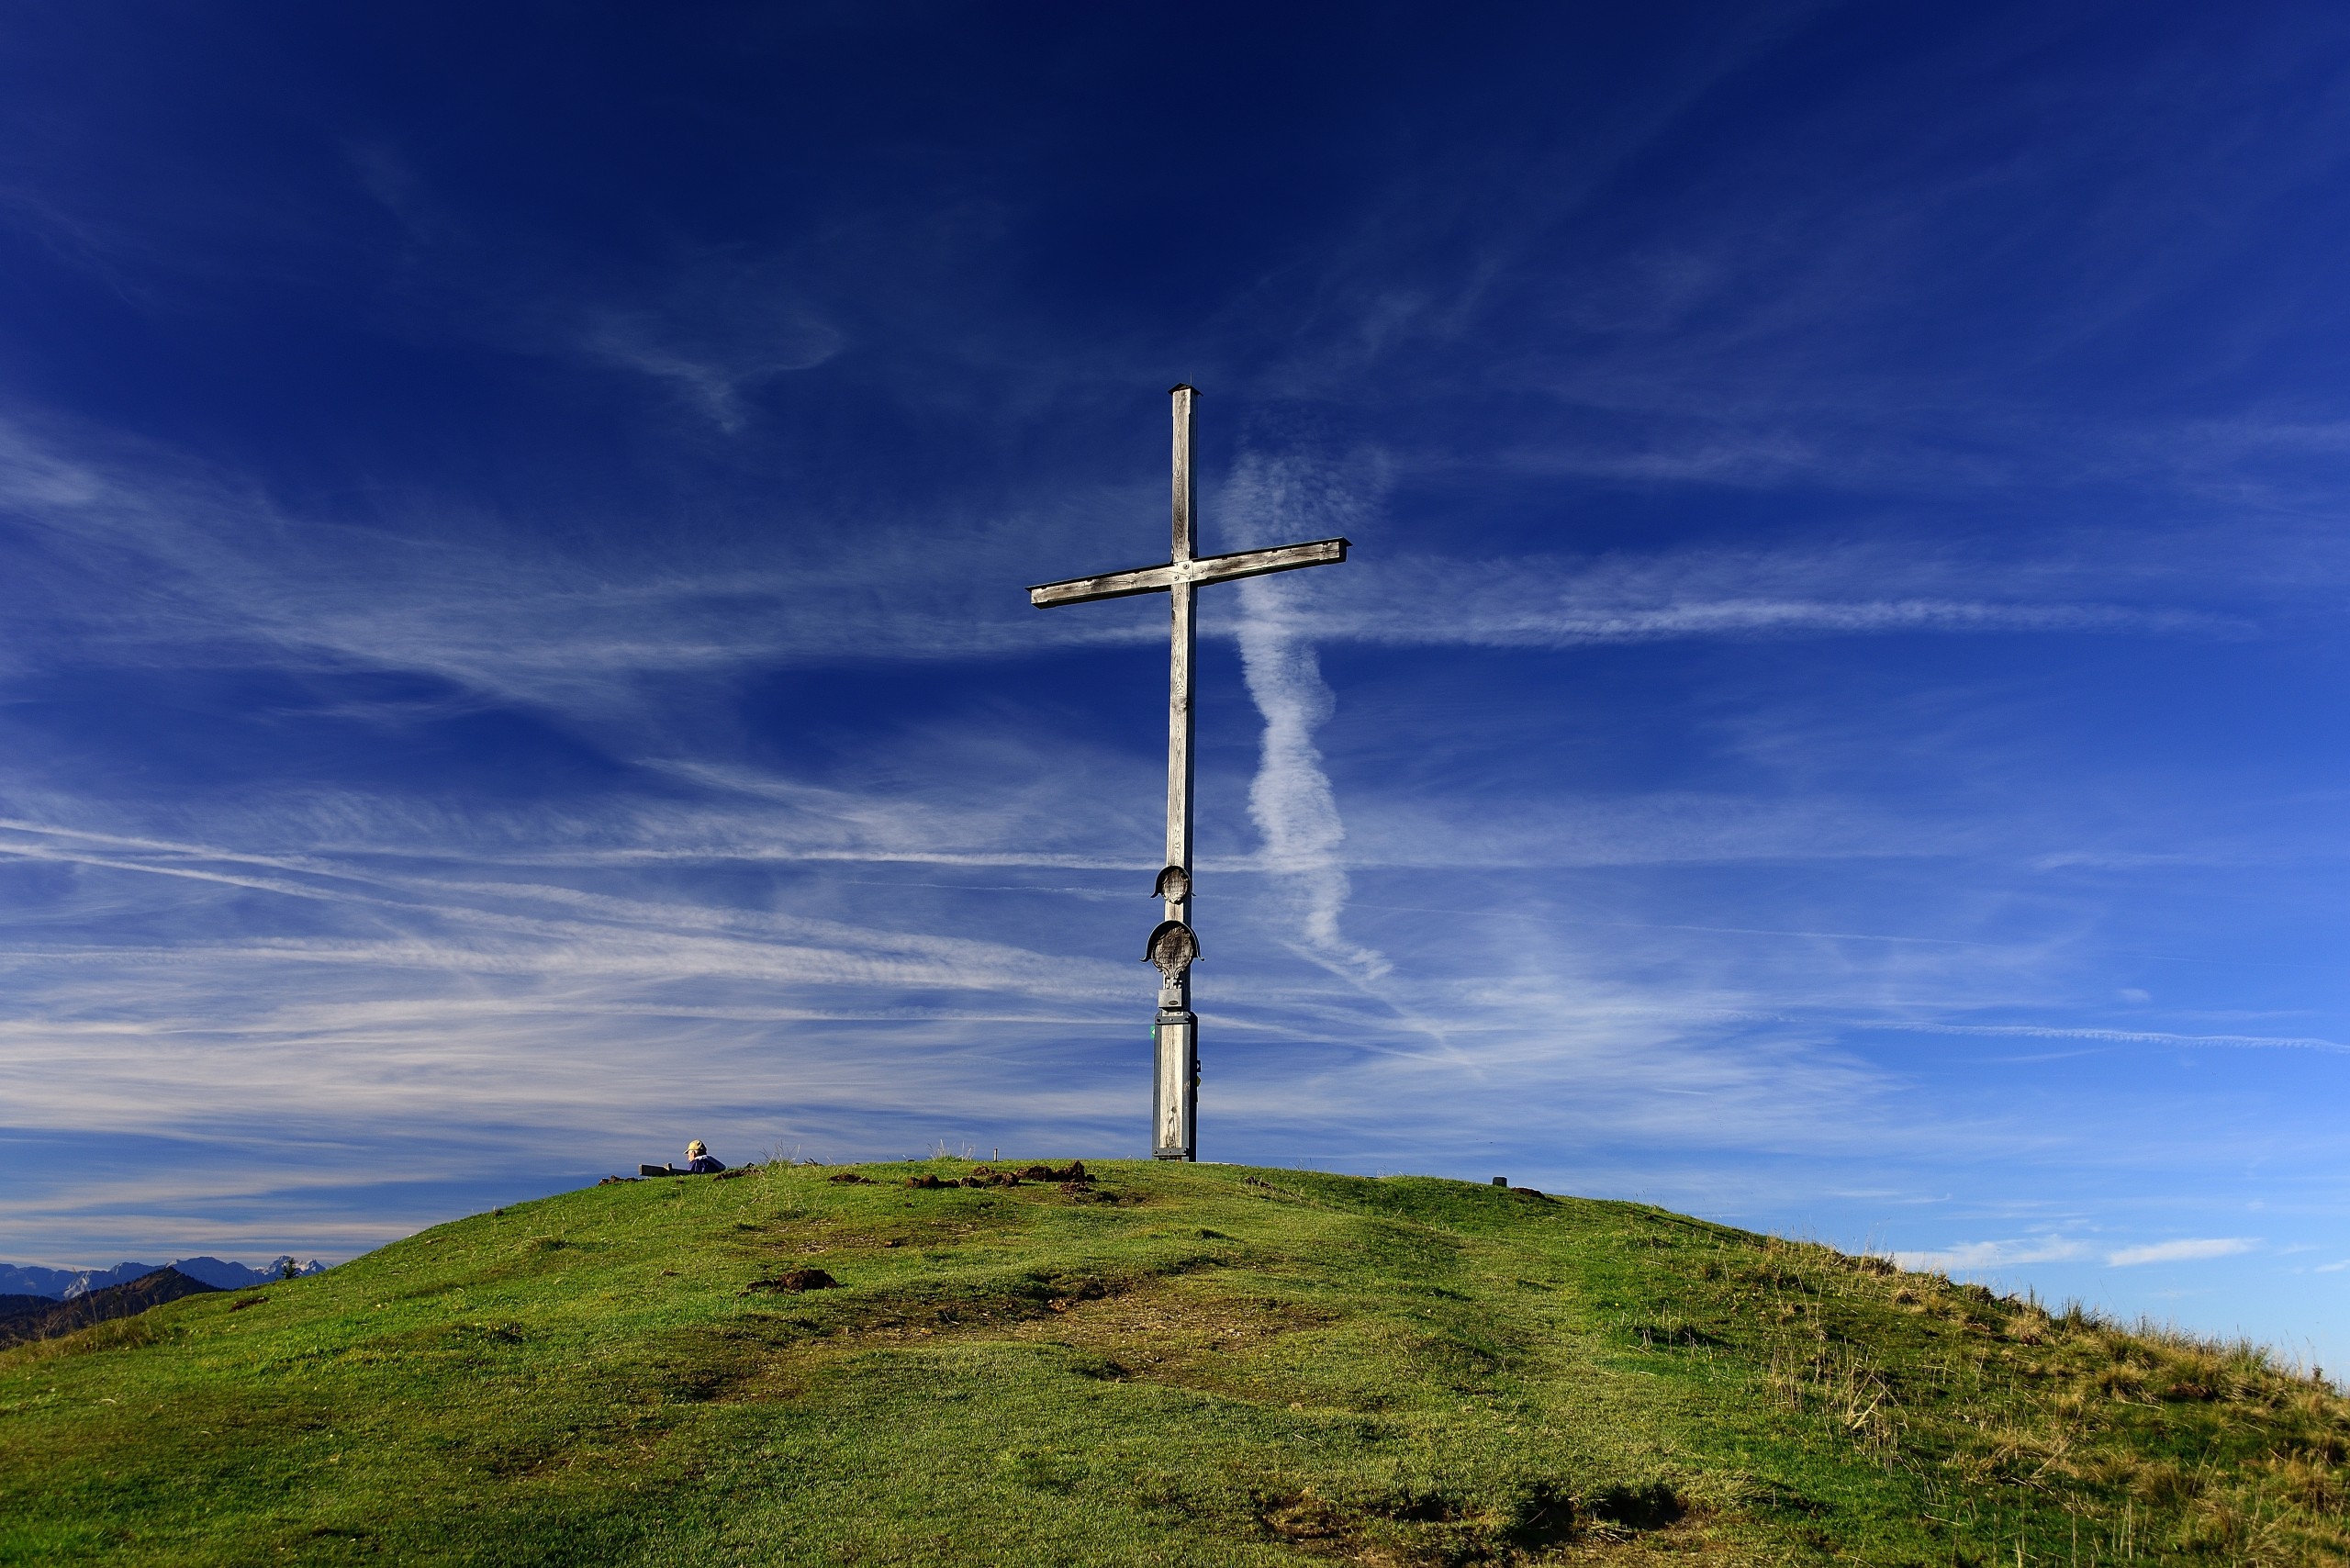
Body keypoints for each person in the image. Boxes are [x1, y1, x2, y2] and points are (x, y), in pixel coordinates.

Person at [638, 1140, 729, 1177]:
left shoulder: (696, 1163)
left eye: (688, 1154)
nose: (688, 1157)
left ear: (693, 1153)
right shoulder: (713, 1161)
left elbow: (688, 1176)